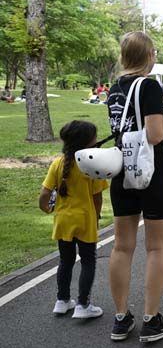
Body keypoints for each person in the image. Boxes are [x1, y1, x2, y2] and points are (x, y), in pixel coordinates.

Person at [106, 31, 163, 343]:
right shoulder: (149, 86)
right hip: (152, 169)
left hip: (121, 168)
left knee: (122, 246)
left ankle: (121, 317)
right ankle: (151, 319)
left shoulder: (114, 88)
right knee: (157, 246)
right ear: (149, 55)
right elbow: (155, 135)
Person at [39, 120, 108, 319]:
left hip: (63, 221)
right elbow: (97, 197)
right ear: (87, 142)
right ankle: (83, 304)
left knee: (66, 260)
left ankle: (62, 300)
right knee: (88, 261)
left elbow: (45, 193)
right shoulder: (92, 165)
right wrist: (96, 216)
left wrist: (45, 208)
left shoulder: (58, 163)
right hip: (85, 220)